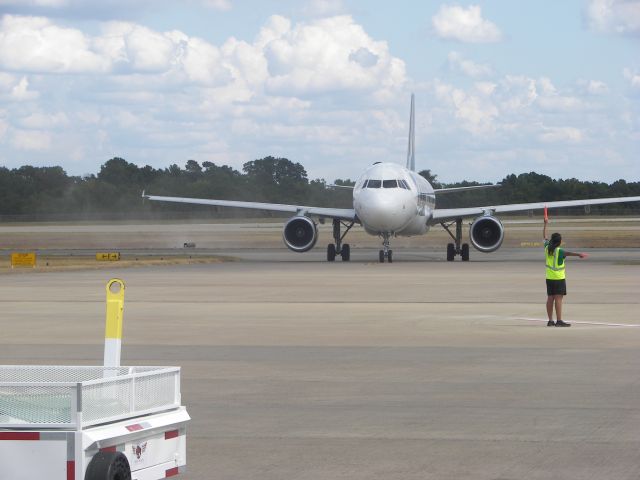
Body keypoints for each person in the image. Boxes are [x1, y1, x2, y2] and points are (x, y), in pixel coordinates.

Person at [543, 216, 588, 327]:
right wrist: (579, 255)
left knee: (550, 298)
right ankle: (559, 321)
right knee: (558, 299)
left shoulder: (547, 248)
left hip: (549, 278)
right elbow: (569, 253)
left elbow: (544, 237)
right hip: (558, 278)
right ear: (560, 242)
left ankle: (550, 320)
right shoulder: (560, 251)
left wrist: (545, 224)